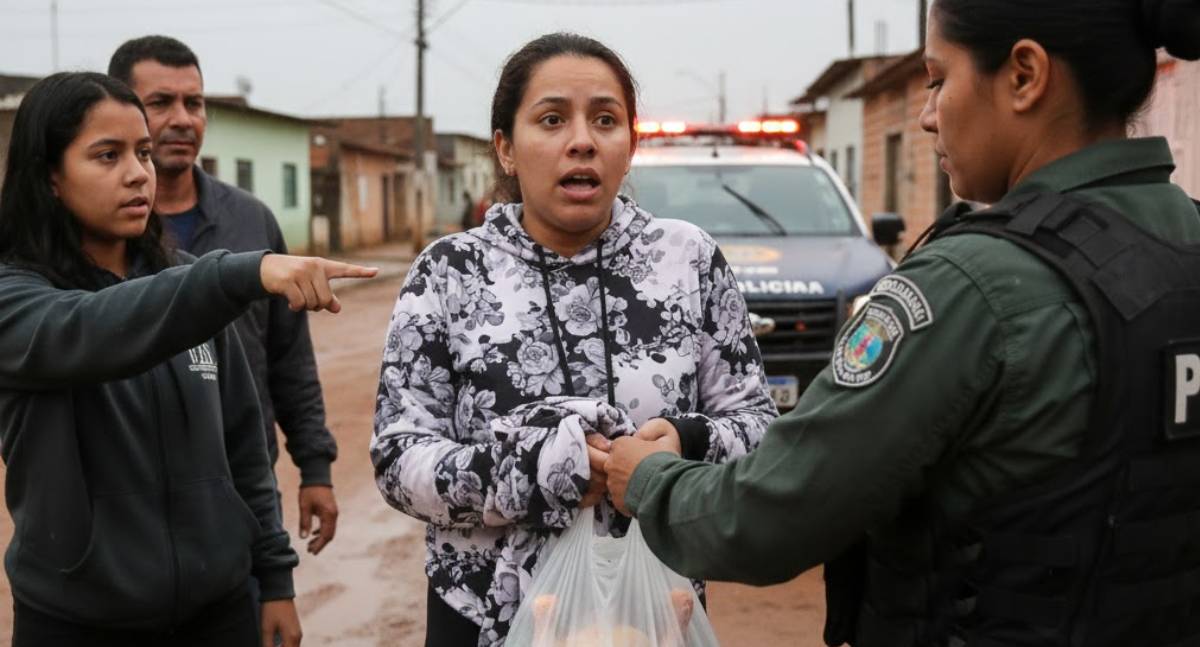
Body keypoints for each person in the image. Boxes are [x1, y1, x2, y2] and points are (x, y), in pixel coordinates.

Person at [605, 1, 1200, 646]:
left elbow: (769, 518)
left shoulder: (975, 284)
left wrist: (647, 479)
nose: (924, 114)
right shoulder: (1186, 240)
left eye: (940, 79)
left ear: (1024, 75)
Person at [369, 32, 776, 647]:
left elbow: (760, 428)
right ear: (505, 149)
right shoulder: (448, 271)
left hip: (654, 612)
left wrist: (685, 443)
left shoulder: (688, 259)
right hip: (485, 616)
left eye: (605, 120)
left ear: (630, 145)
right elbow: (398, 458)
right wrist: (531, 472)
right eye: (552, 119)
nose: (582, 140)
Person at [0, 72, 376, 646]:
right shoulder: (16, 298)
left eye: (142, 153)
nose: (137, 174)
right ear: (50, 176)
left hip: (218, 613)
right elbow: (93, 328)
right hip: (77, 622)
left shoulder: (186, 289)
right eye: (107, 156)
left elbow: (245, 448)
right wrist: (239, 272)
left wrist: (274, 579)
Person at [108, 36, 339, 556]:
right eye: (161, 103)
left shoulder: (250, 221)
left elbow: (289, 357)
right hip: (132, 497)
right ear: (123, 113)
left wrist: (314, 467)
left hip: (241, 487)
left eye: (195, 102)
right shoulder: (99, 234)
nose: (184, 119)